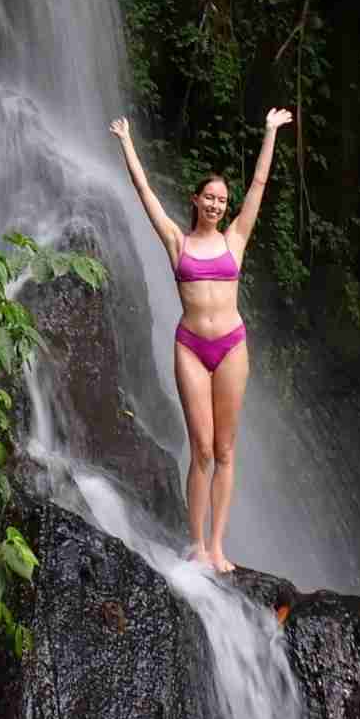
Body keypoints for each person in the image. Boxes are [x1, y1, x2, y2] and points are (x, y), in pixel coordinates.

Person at [109, 108, 293, 573]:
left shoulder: (236, 239)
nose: (215, 204)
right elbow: (144, 192)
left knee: (227, 450)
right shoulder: (177, 241)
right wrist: (127, 141)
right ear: (195, 201)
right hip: (191, 346)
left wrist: (269, 131)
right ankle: (195, 543)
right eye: (209, 197)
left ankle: (217, 546)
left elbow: (258, 187)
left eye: (221, 200)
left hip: (231, 345)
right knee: (203, 449)